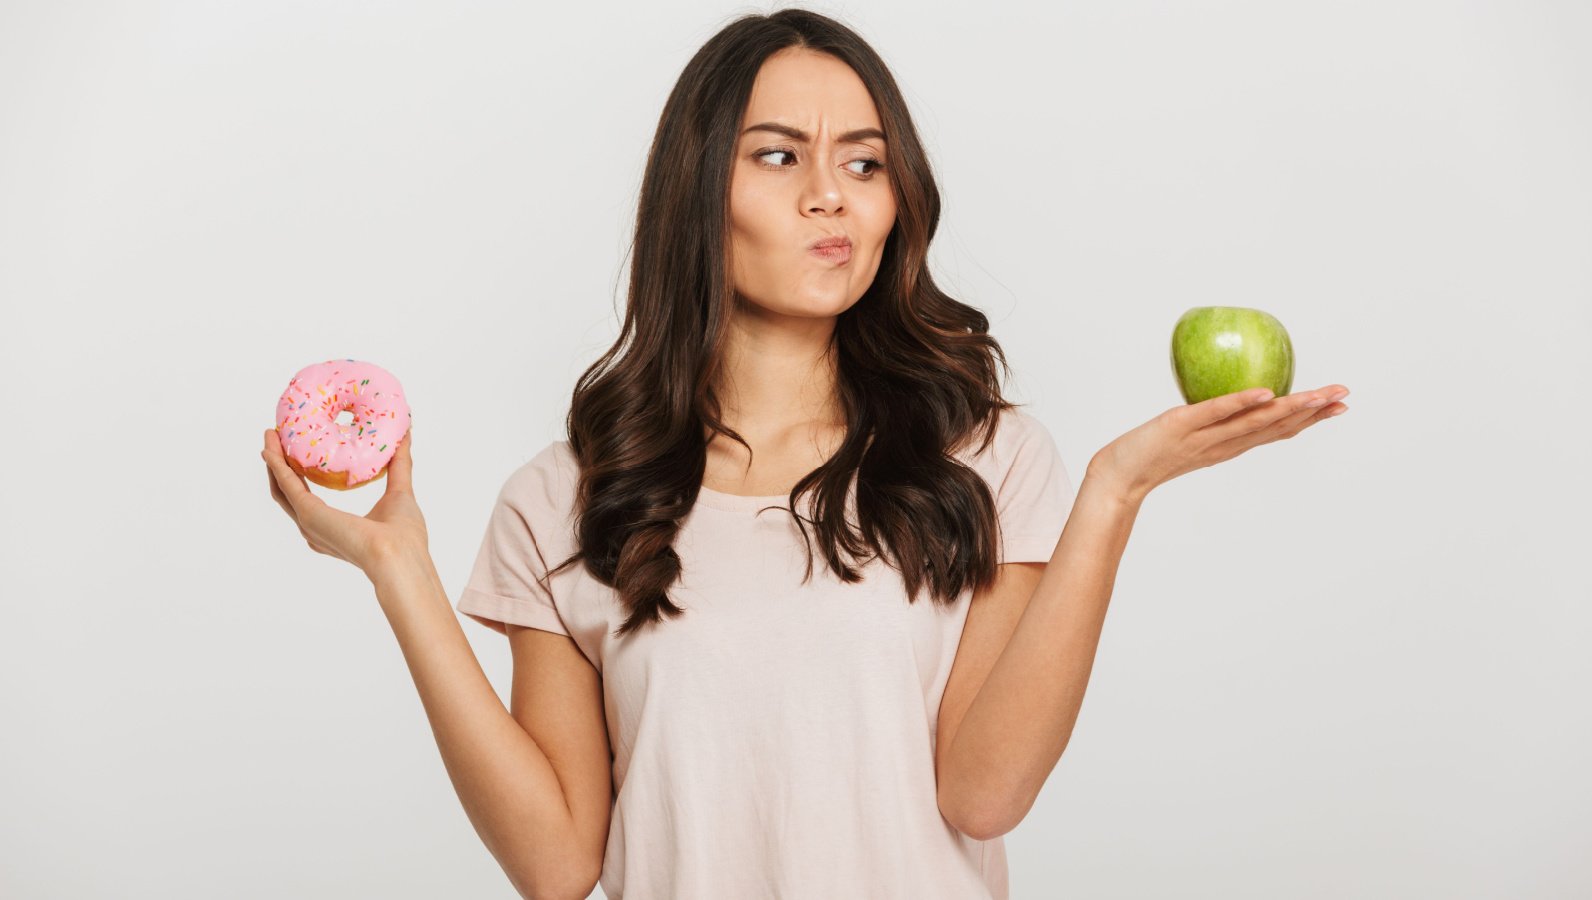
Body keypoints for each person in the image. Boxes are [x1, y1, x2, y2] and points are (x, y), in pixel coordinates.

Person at [261, 9, 1349, 899]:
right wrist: (396, 571)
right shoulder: (565, 499)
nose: (829, 194)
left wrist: (1115, 492)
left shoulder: (987, 459)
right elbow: (555, 865)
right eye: (777, 155)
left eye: (863, 162)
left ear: (894, 201)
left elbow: (984, 795)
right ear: (697, 196)